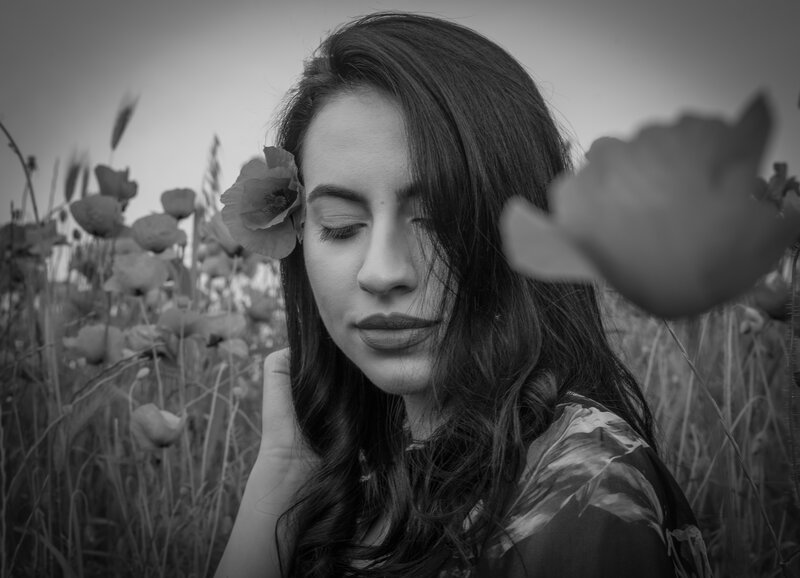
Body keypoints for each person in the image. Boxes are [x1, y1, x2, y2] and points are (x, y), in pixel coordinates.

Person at [215, 12, 711, 578]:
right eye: (341, 226)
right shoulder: (366, 476)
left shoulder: (582, 485)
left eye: (437, 219)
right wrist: (282, 472)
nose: (382, 272)